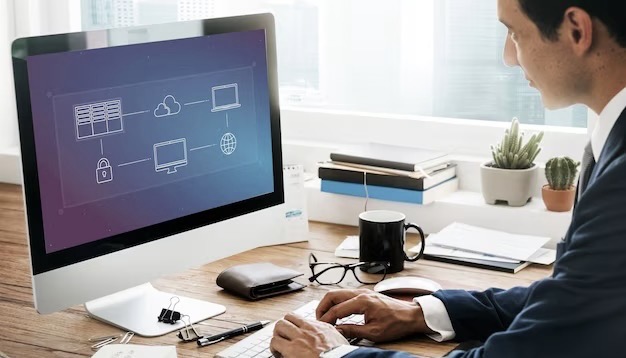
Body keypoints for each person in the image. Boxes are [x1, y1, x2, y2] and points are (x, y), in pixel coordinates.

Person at [269, 0, 626, 357]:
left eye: (515, 33)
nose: (508, 56)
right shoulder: (611, 138)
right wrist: (422, 314)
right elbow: (569, 298)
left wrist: (336, 355)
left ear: (577, 30)